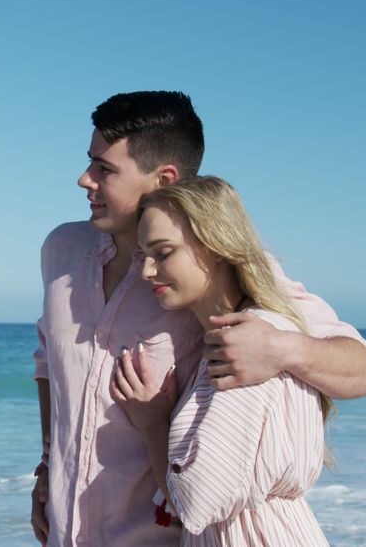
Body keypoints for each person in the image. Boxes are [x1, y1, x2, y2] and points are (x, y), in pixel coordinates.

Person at [30, 91, 366, 546]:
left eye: (105, 168)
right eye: (89, 162)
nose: (84, 179)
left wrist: (281, 348)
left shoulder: (211, 270)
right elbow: (48, 365)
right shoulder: (60, 251)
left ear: (164, 179)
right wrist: (46, 465)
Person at [111, 176, 332, 545]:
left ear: (215, 246)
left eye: (163, 253)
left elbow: (196, 501)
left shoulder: (246, 343)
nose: (147, 270)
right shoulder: (244, 335)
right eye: (143, 255)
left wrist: (153, 421)